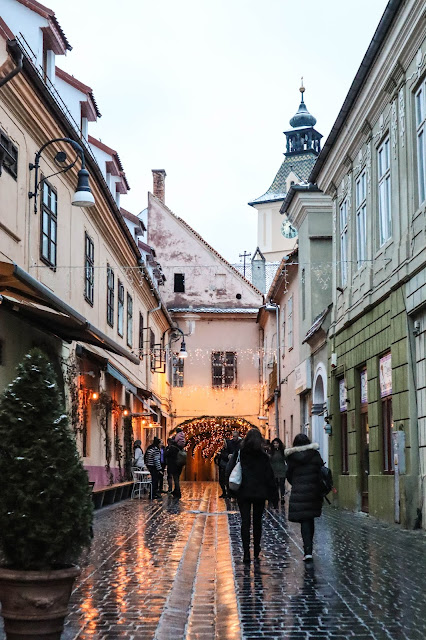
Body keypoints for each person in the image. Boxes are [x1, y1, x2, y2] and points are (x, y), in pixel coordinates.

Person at [228, 428, 278, 564]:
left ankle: (245, 552)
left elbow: (229, 470)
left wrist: (231, 491)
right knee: (257, 522)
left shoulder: (240, 453)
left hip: (243, 493)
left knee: (245, 522)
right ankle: (256, 549)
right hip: (260, 494)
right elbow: (270, 477)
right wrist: (274, 498)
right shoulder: (263, 457)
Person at [285, 433, 323, 562]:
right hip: (313, 491)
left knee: (304, 521)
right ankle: (309, 549)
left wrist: (296, 483)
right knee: (309, 518)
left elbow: (288, 475)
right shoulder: (315, 454)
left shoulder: (292, 457)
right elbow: (321, 471)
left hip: (299, 491)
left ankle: (307, 551)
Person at [270, 438, 287, 504]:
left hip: (282, 470)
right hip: (274, 470)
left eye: (277, 443)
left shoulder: (282, 452)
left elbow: (286, 460)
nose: (275, 445)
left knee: (282, 484)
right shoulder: (271, 452)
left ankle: (282, 497)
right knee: (275, 484)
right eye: (274, 443)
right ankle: (276, 497)